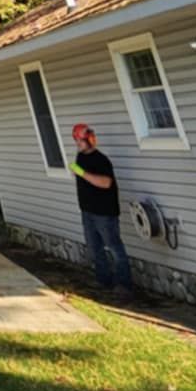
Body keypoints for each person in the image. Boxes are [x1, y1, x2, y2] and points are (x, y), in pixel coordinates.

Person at [70, 123, 134, 295]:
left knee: (114, 247)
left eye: (81, 140)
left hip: (104, 213)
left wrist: (82, 173)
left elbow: (106, 183)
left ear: (89, 139)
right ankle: (103, 281)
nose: (78, 144)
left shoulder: (101, 160)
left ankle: (124, 285)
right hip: (87, 211)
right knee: (94, 248)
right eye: (76, 141)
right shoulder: (80, 158)